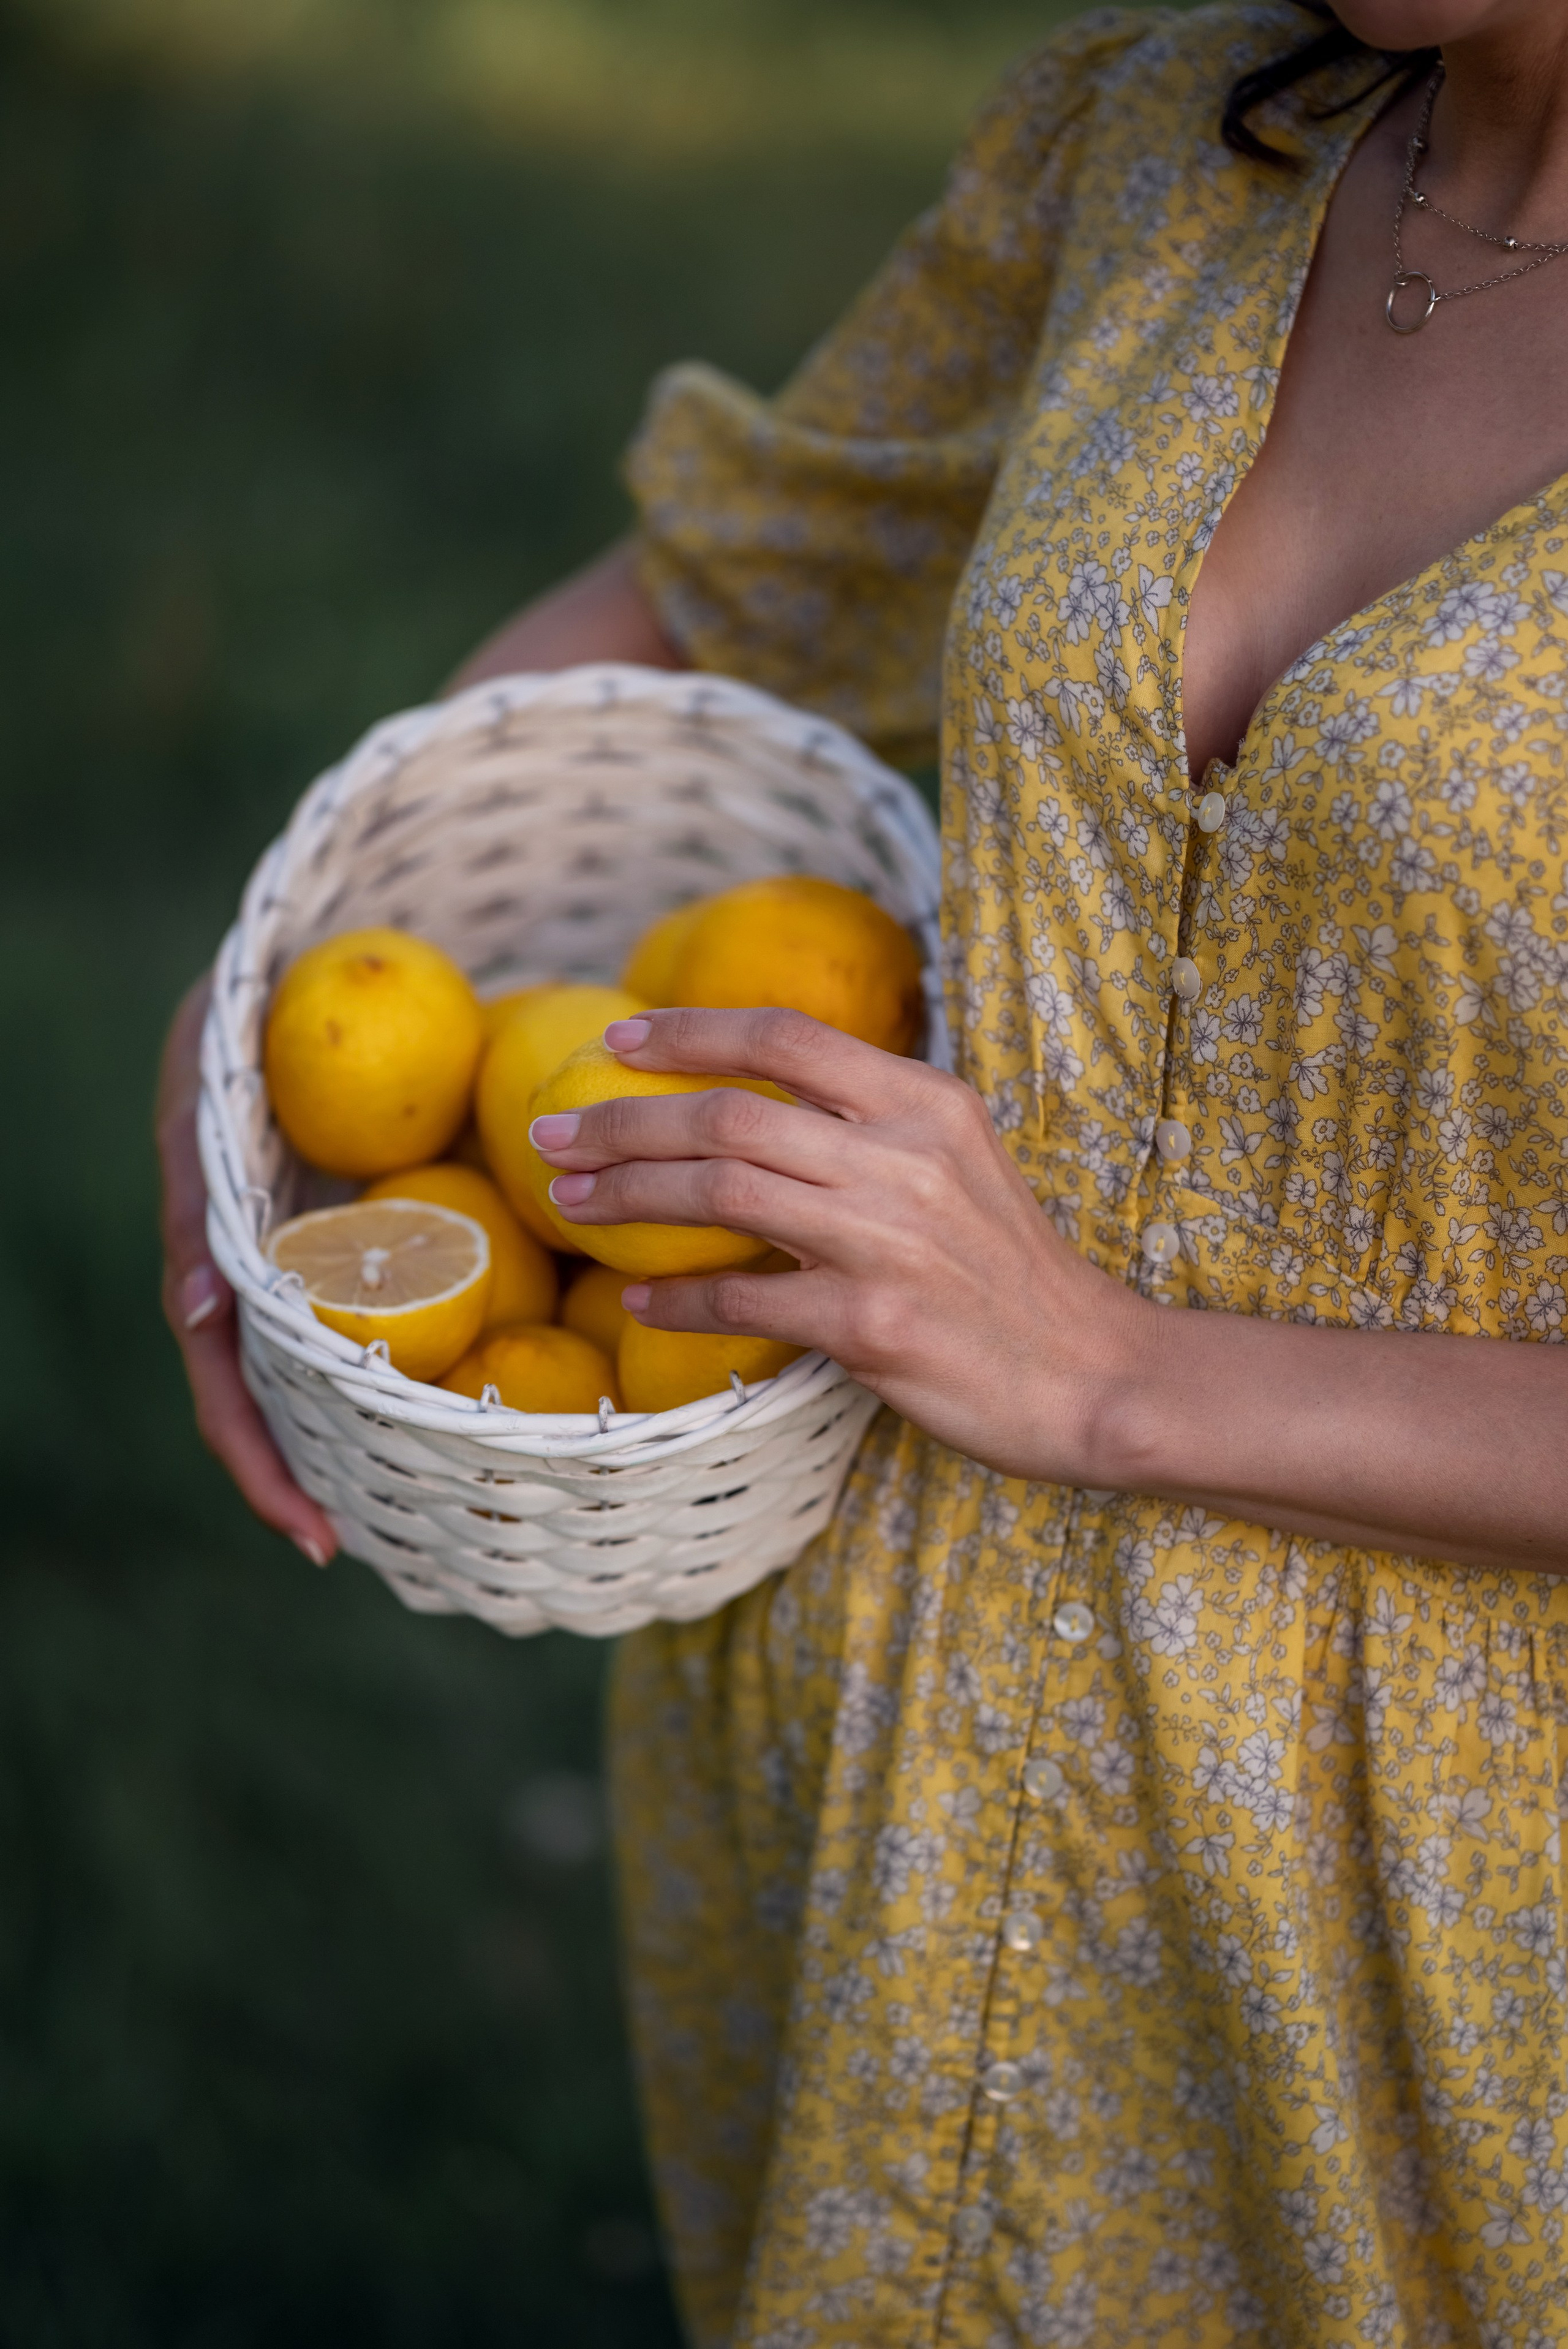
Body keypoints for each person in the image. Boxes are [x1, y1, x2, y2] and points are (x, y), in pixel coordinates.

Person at [158, 0, 1568, 2338]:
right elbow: (737, 589)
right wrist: (278, 980)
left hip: (1429, 1920)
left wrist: (1118, 1373)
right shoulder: (1164, 122)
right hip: (871, 1739)